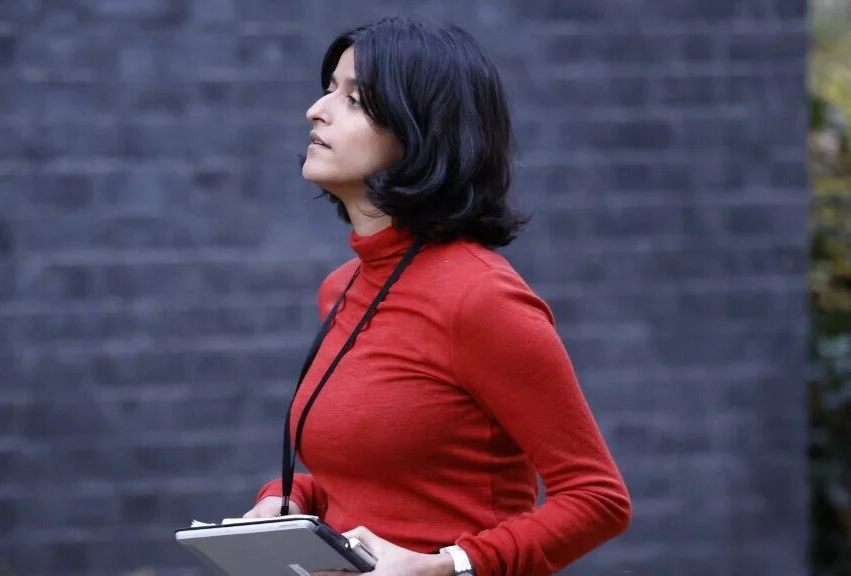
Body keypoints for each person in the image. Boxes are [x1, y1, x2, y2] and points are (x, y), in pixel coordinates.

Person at [242, 16, 631, 576]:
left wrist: (445, 565)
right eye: (329, 89)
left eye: (356, 99)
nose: (317, 109)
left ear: (420, 130)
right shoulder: (344, 288)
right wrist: (288, 501)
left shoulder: (480, 298)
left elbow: (598, 500)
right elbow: (376, 478)